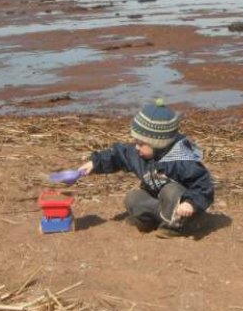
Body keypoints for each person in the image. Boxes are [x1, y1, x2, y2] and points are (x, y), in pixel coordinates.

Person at [78, 99, 214, 238]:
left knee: (171, 190)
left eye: (141, 143)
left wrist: (191, 203)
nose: (136, 147)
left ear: (158, 143)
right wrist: (95, 163)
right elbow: (118, 155)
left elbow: (203, 185)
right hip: (158, 202)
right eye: (136, 141)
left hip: (181, 211)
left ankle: (174, 227)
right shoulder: (139, 154)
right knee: (133, 198)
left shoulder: (181, 161)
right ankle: (151, 221)